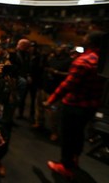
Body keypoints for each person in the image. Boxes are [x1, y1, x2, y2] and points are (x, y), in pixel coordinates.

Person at [43, 31, 107, 179]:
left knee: (68, 137)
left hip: (74, 106)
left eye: (85, 37)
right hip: (91, 106)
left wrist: (50, 100)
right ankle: (75, 160)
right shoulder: (102, 60)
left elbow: (67, 85)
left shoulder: (83, 61)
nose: (82, 38)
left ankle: (65, 166)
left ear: (90, 42)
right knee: (78, 135)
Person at [9, 38, 32, 120]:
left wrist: (28, 75)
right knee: (13, 97)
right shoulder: (13, 53)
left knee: (21, 98)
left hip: (22, 78)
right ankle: (10, 116)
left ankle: (18, 114)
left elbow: (27, 66)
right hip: (14, 78)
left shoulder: (27, 54)